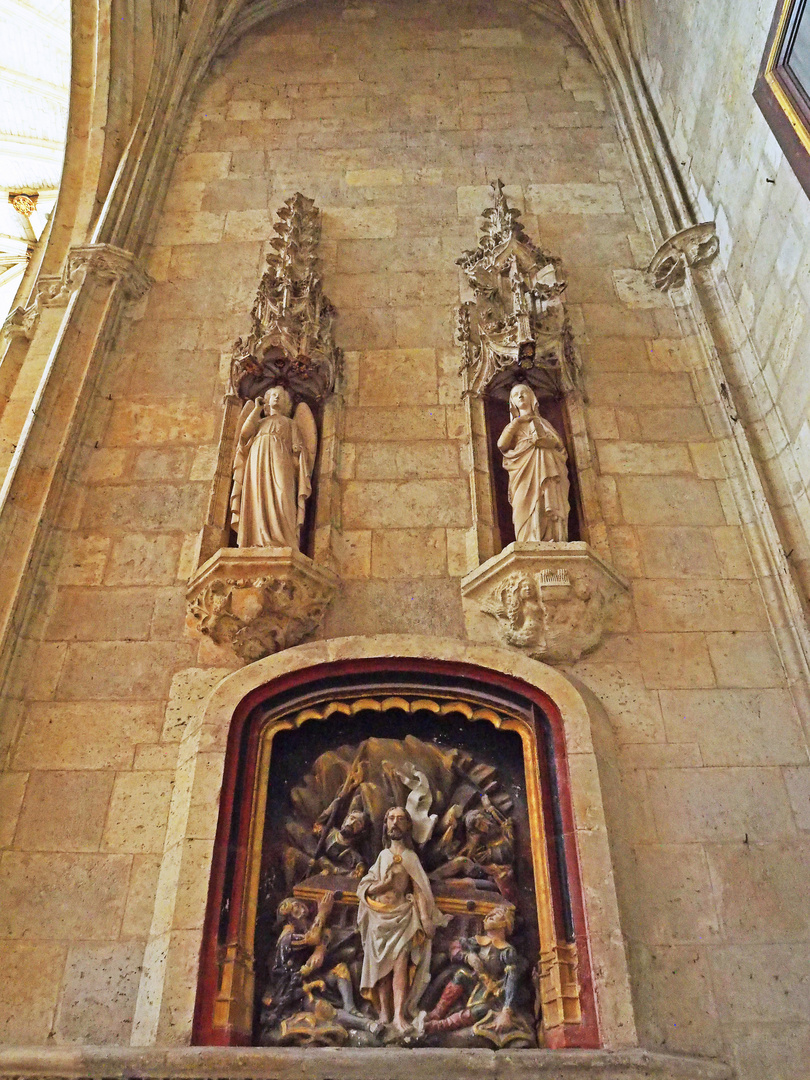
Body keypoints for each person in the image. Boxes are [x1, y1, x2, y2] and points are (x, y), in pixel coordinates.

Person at [356, 806, 448, 1033]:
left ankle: (399, 1015)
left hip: (403, 916)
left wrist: (426, 918)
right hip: (379, 917)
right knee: (381, 969)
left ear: (408, 826)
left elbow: (420, 889)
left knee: (400, 964)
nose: (395, 823)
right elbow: (366, 887)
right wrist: (383, 885)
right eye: (391, 818)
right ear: (386, 825)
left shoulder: (410, 857)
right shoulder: (382, 857)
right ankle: (384, 1014)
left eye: (400, 819)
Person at [420, 904, 535, 1048]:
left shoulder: (507, 951)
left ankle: (440, 1026)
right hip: (477, 983)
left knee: (482, 1009)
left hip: (496, 993)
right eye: (490, 913)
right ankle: (437, 1013)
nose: (490, 916)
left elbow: (511, 980)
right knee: (460, 976)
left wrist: (506, 1011)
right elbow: (454, 948)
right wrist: (467, 957)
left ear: (506, 923)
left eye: (497, 914)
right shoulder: (477, 942)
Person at [230, 385, 317, 549]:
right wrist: (256, 409)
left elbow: (299, 451)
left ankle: (283, 540)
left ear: (286, 403)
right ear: (267, 401)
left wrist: (298, 455)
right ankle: (257, 538)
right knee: (257, 494)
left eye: (280, 396)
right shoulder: (259, 422)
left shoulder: (290, 423)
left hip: (281, 459)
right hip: (258, 457)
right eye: (273, 396)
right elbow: (243, 436)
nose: (276, 398)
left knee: (283, 493)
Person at [497, 383, 569, 543]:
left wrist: (545, 442)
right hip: (522, 472)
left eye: (524, 393)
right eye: (516, 395)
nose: (521, 396)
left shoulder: (543, 423)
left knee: (545, 501)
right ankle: (528, 539)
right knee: (523, 504)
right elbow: (502, 444)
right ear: (513, 403)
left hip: (547, 468)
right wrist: (518, 423)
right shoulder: (513, 425)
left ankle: (551, 537)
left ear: (532, 397)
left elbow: (558, 445)